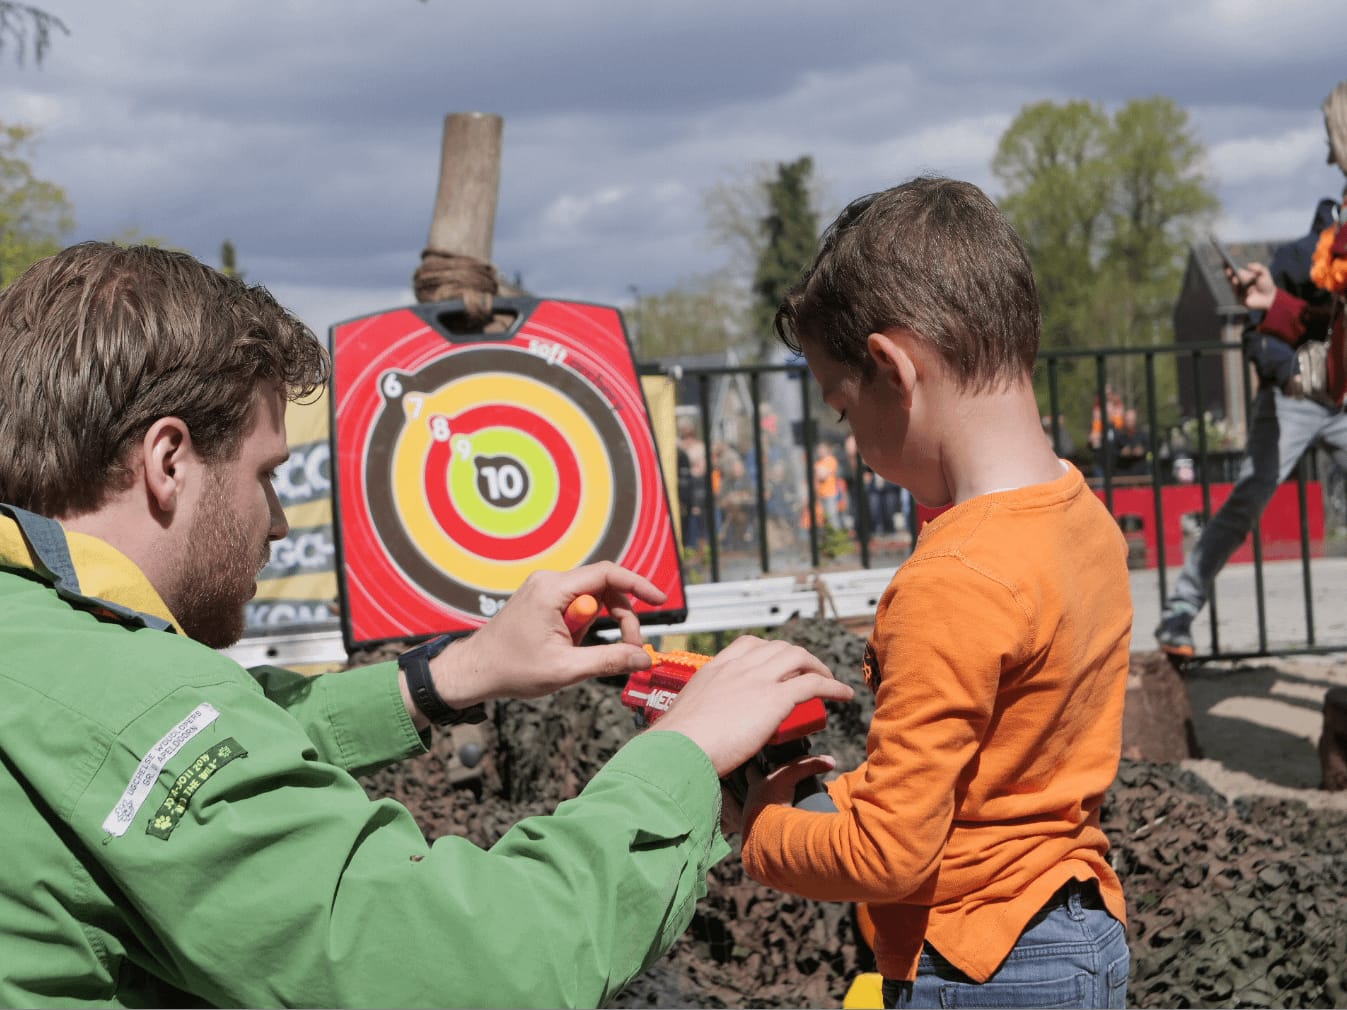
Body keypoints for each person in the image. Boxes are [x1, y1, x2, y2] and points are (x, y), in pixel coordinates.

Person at [0, 241, 854, 1008]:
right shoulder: (126, 705)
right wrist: (688, 755)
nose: (279, 521)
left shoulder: (38, 634)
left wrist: (453, 674)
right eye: (266, 475)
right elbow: (479, 968)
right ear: (167, 461)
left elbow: (197, 747)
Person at [733, 177, 1133, 1009]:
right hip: (1078, 930)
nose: (851, 444)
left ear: (890, 368)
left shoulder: (952, 577)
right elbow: (1000, 772)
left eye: (843, 412)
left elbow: (889, 859)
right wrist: (834, 795)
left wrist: (759, 830)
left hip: (977, 964)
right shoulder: (1079, 515)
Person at [1155, 78, 1347, 658]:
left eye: (1330, 138)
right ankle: (1181, 608)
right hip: (1300, 390)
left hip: (1340, 388)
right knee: (1252, 491)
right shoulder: (1326, 232)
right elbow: (1305, 294)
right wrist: (1268, 295)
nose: (1326, 152)